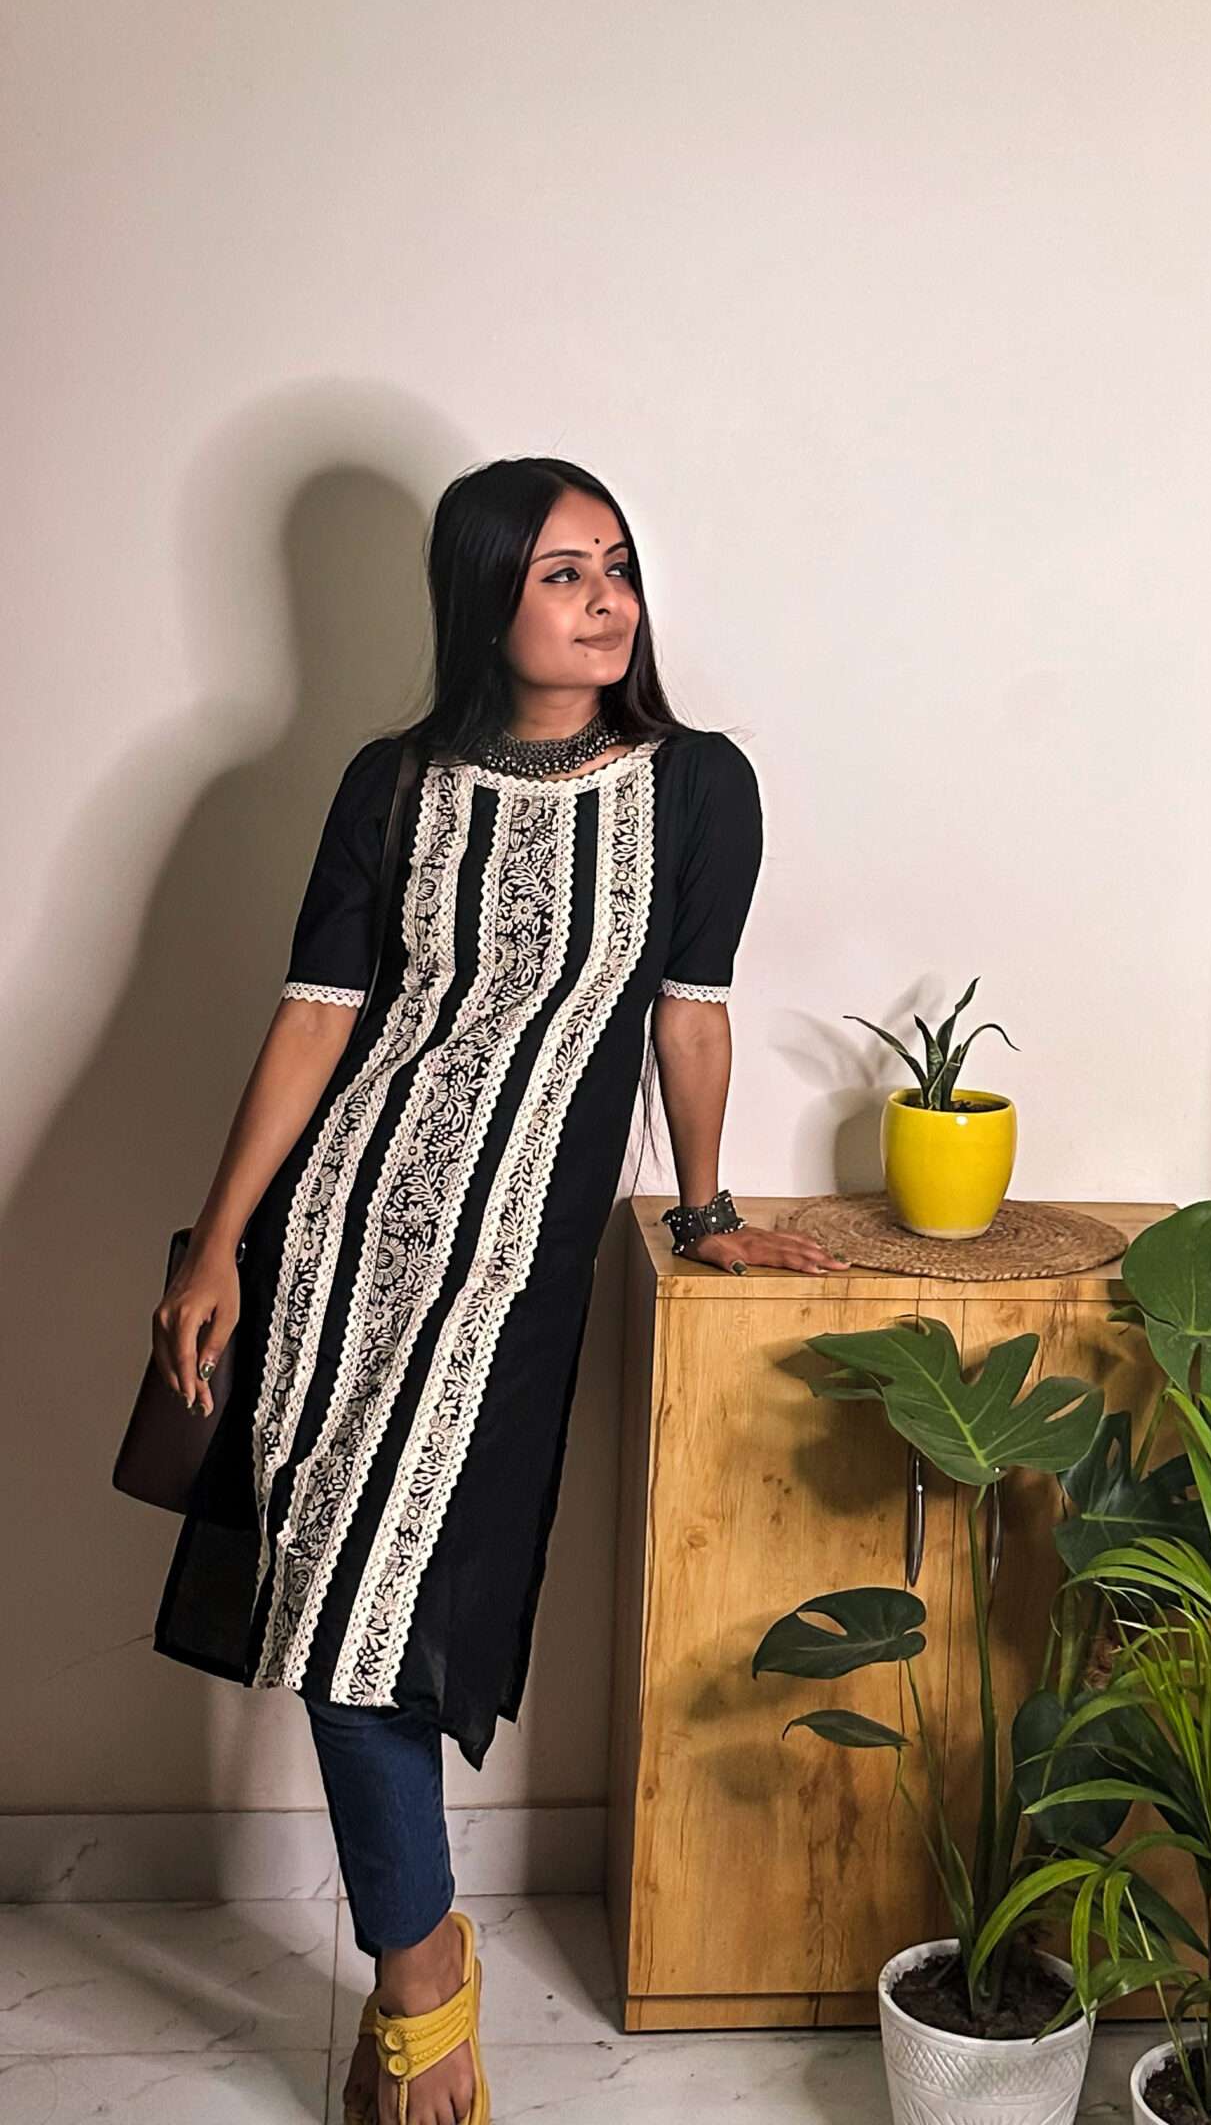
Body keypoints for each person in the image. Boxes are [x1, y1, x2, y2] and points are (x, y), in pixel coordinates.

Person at [147, 454, 847, 2125]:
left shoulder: (699, 786)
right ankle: (422, 1975)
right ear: (483, 598)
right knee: (327, 1611)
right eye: (561, 573)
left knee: (382, 1620)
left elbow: (691, 1010)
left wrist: (709, 1210)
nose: (607, 602)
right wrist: (222, 1240)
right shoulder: (391, 784)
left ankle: (418, 1973)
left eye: (618, 566)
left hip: (514, 1266)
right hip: (339, 1235)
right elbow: (319, 1015)